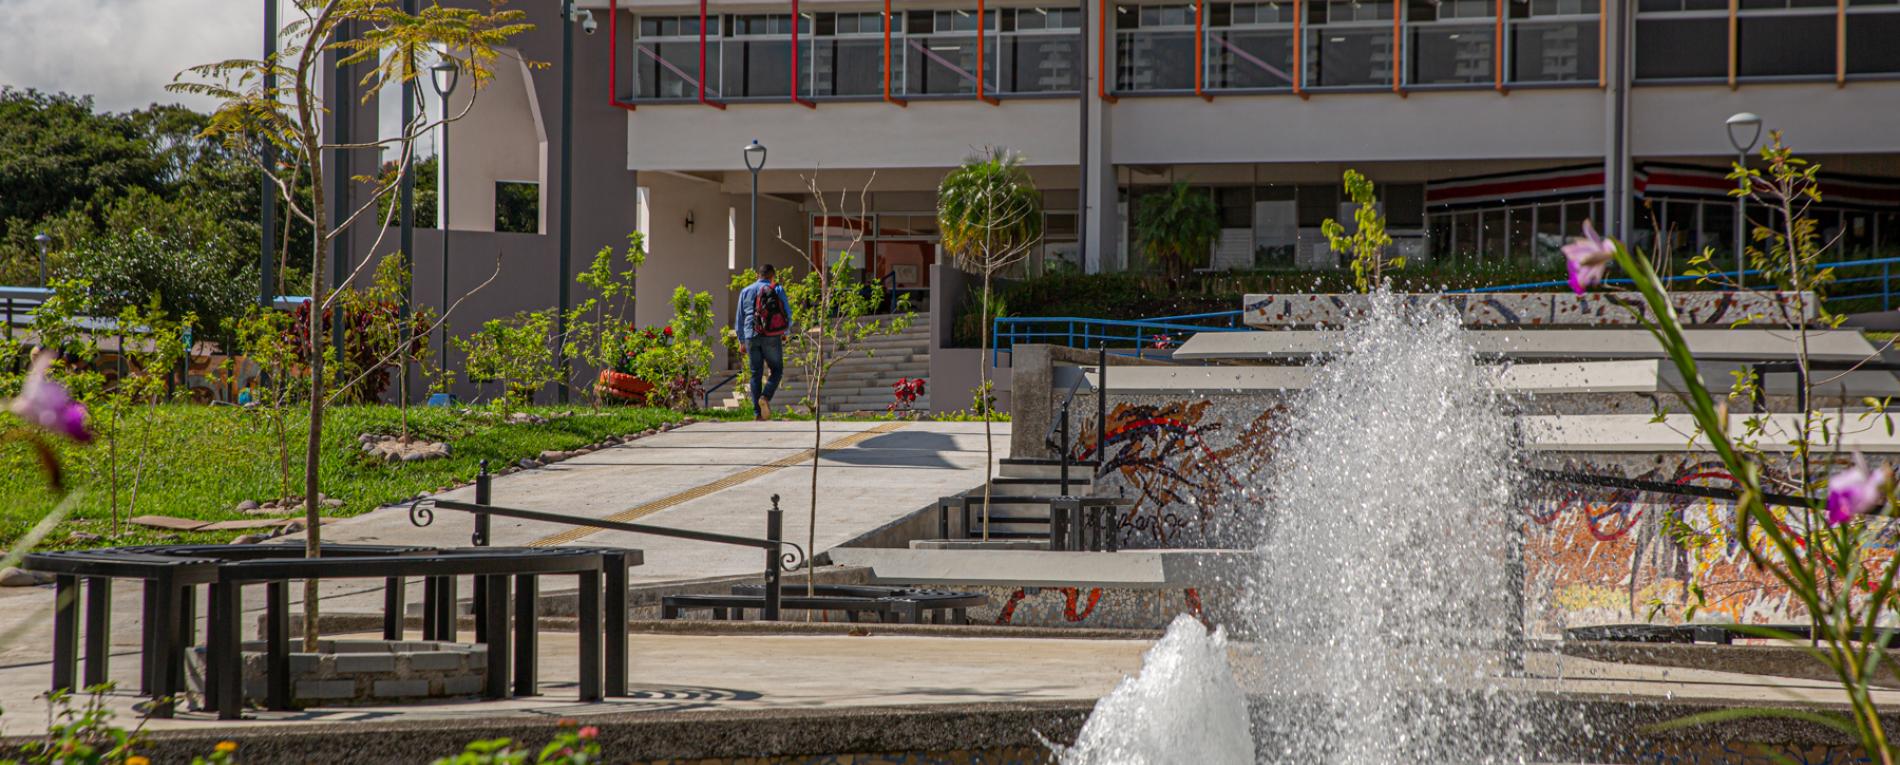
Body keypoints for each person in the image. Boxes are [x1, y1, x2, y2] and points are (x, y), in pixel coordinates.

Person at [734, 265, 791, 420]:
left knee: (755, 374)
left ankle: (757, 414)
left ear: (757, 275)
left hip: (750, 336)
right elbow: (787, 312)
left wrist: (741, 340)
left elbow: (739, 318)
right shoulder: (777, 289)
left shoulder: (745, 291)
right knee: (777, 370)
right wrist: (785, 332)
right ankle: (765, 397)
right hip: (771, 335)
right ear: (773, 276)